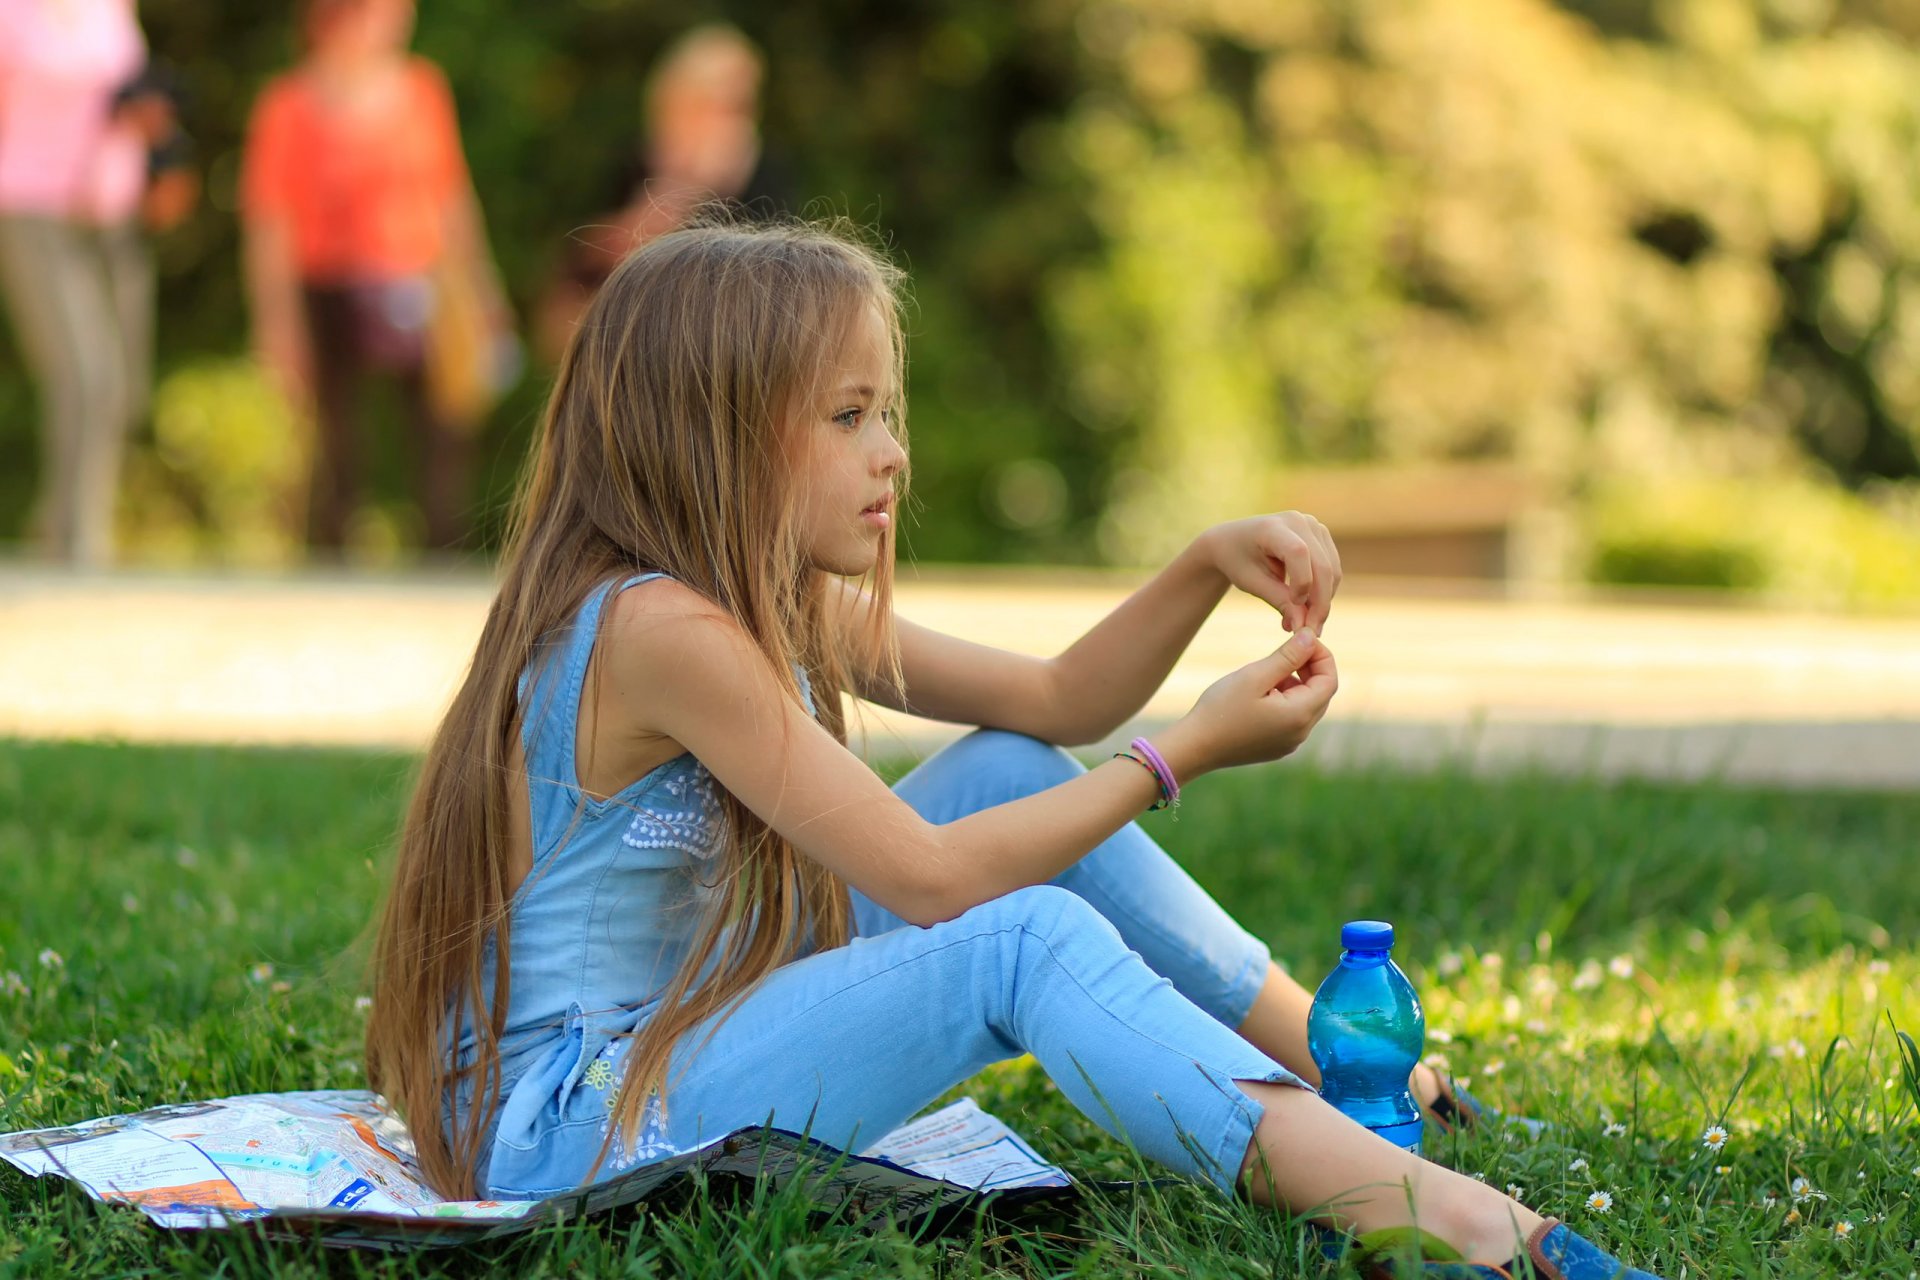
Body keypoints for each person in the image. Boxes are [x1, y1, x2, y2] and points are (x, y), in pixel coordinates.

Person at [363, 221, 1662, 1280]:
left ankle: (1368, 1077)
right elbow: (930, 883)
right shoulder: (661, 630)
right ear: (714, 431)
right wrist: (1181, 755)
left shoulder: (751, 596)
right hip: (564, 1124)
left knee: (1007, 769)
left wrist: (1206, 563)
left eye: (886, 412)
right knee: (1018, 936)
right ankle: (1459, 1226)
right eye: (848, 417)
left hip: (676, 1028)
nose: (894, 455)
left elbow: (1051, 697)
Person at [239, 0, 511, 555]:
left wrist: (483, 290)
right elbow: (270, 223)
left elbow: (450, 199)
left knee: (441, 424)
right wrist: (276, 322)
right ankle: (331, 556)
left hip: (417, 282)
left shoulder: (420, 91)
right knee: (337, 437)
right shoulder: (288, 104)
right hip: (327, 286)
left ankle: (442, 555)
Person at [0, 0, 169, 568]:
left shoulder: (111, 8)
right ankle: (78, 543)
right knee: (82, 371)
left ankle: (62, 520)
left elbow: (132, 99)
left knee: (121, 380)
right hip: (33, 210)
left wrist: (162, 163)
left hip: (110, 219)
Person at [534, 24, 789, 363]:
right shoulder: (636, 165)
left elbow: (768, 278)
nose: (728, 119)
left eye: (740, 105)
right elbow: (587, 260)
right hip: (627, 345)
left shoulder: (764, 173)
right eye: (714, 103)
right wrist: (681, 185)